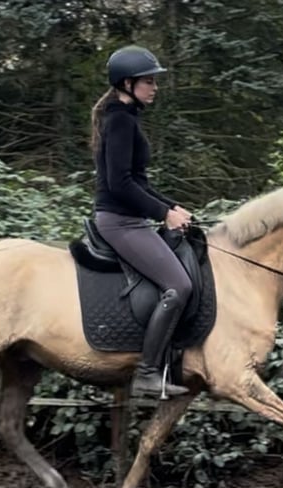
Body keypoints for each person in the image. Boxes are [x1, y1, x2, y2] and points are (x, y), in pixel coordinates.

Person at [90, 45, 193, 398]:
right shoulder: (119, 120)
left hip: (130, 218)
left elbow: (139, 182)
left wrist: (173, 206)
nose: (155, 87)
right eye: (149, 81)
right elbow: (119, 184)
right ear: (127, 83)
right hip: (119, 222)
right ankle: (147, 373)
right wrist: (163, 214)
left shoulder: (127, 117)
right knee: (179, 286)